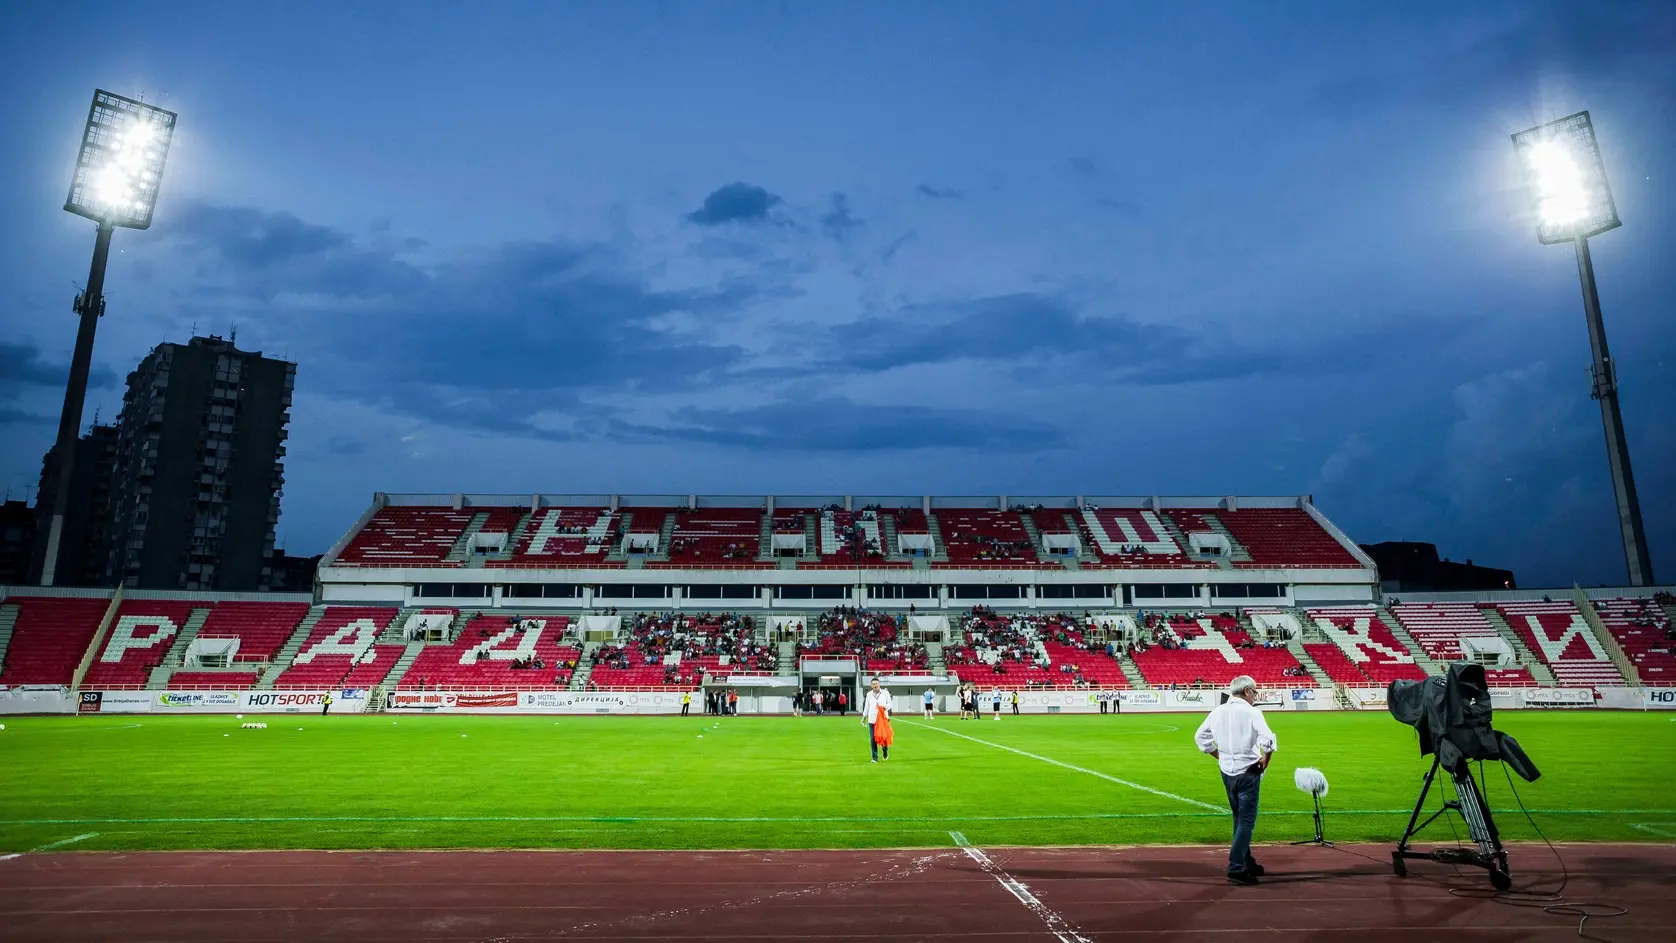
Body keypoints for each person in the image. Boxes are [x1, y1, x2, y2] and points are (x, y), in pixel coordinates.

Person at [1193, 676, 1277, 886]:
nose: (1255, 696)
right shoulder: (1252, 712)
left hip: (1227, 772)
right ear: (1247, 691)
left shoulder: (1217, 712)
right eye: (1255, 692)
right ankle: (1236, 867)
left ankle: (1246, 861)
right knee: (1246, 821)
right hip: (1248, 771)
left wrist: (1218, 756)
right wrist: (1265, 761)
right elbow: (1268, 741)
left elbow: (1200, 738)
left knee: (1239, 819)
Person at [861, 677, 893, 763]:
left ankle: (885, 750)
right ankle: (874, 757)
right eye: (873, 684)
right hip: (872, 719)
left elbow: (890, 704)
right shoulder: (869, 694)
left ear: (879, 684)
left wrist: (884, 707)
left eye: (876, 684)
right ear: (871, 685)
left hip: (883, 719)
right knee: (872, 739)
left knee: (884, 738)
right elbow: (866, 707)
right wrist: (864, 717)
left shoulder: (885, 693)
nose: (875, 685)